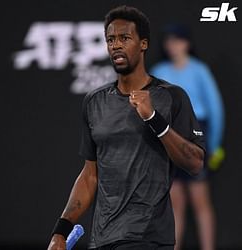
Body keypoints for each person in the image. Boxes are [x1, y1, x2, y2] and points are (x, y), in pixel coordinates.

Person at [48, 6, 205, 250]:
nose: (116, 45)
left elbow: (195, 162)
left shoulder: (171, 97)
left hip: (149, 238)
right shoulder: (94, 101)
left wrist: (154, 119)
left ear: (143, 44)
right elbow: (90, 176)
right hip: (103, 239)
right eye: (111, 39)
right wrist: (60, 231)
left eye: (124, 38)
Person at [151, 25, 224, 250]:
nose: (174, 46)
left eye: (178, 41)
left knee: (200, 200)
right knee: (175, 203)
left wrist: (214, 145)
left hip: (195, 135)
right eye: (170, 42)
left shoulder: (199, 70)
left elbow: (215, 109)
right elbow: (149, 111)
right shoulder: (159, 70)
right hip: (169, 136)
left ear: (187, 44)